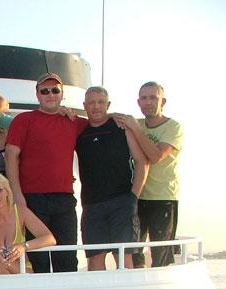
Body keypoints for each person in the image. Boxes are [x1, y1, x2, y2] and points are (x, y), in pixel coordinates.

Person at [5, 72, 88, 273]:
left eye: (55, 90)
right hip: (33, 199)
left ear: (62, 94)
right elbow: (11, 156)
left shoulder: (74, 122)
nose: (50, 94)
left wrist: (124, 120)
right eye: (45, 91)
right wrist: (17, 195)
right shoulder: (23, 120)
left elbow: (100, 120)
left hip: (64, 199)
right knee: (38, 260)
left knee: (67, 259)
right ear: (37, 94)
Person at [76, 87, 148, 271]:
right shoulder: (80, 133)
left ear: (107, 105)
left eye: (101, 102)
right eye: (91, 102)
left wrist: (133, 196)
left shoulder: (122, 128)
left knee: (124, 259)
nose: (96, 107)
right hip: (92, 206)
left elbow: (142, 162)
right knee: (94, 262)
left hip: (122, 202)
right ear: (84, 105)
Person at [114, 82, 183, 267]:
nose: (148, 102)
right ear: (138, 102)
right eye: (144, 98)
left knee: (160, 255)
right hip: (137, 197)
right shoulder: (135, 122)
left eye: (153, 97)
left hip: (163, 198)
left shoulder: (173, 127)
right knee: (134, 253)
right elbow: (103, 114)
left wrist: (135, 128)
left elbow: (156, 156)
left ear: (163, 101)